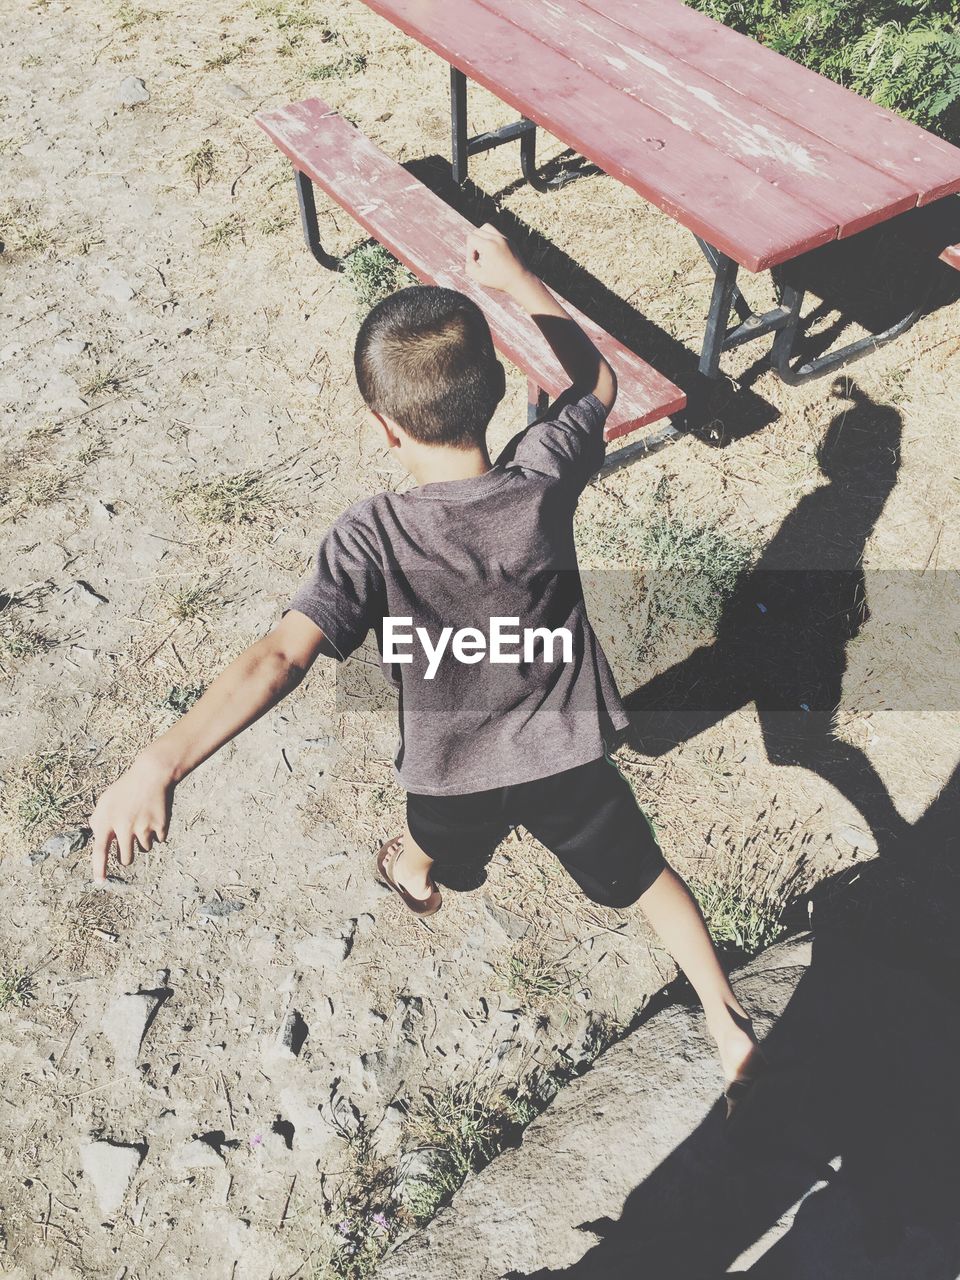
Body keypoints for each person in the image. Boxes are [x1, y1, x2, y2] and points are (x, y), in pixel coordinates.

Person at [89, 224, 764, 1111]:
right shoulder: (541, 478)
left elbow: (281, 658)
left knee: (432, 845)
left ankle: (408, 874)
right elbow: (596, 383)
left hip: (451, 779)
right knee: (648, 881)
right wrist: (522, 281)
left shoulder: (373, 534)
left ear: (383, 425)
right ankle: (726, 1023)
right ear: (490, 395)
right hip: (569, 762)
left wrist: (158, 761)